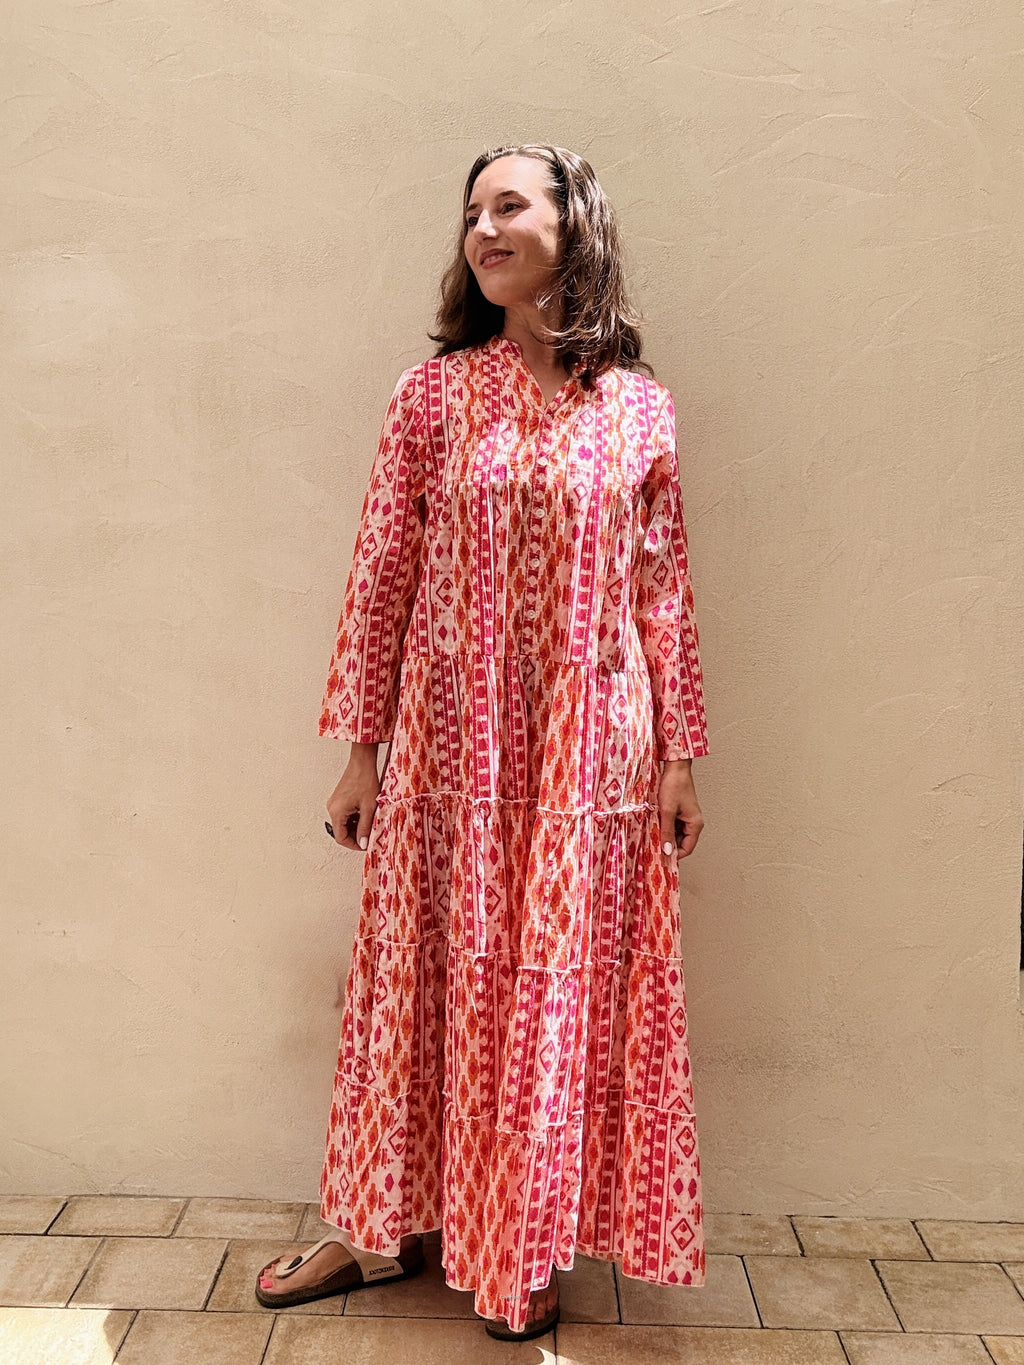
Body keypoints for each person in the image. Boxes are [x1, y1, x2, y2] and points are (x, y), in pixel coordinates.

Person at [255, 142, 709, 1341]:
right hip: (447, 750)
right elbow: (382, 575)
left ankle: (519, 1251)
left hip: (587, 757)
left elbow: (662, 592)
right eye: (471, 213)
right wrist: (361, 749)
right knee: (416, 987)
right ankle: (374, 1229)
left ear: (574, 225)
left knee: (552, 998)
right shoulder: (433, 396)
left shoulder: (640, 409)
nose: (483, 229)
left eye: (509, 204)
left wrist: (677, 756)